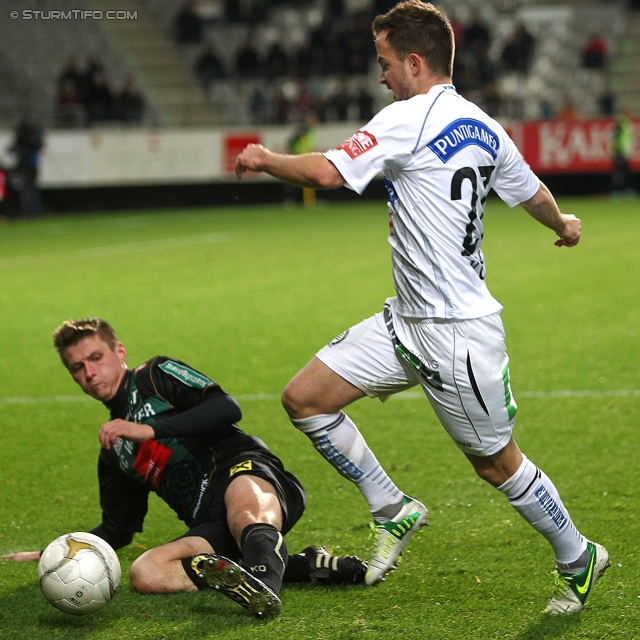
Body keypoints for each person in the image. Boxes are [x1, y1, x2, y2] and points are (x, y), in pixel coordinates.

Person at [235, 0, 609, 614]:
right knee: (304, 400)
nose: (379, 75)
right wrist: (563, 221)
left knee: (496, 465)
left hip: (457, 336)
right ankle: (393, 507)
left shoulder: (407, 117)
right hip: (405, 320)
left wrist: (266, 157)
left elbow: (329, 174)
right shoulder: (484, 125)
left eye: (385, 62)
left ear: (414, 61)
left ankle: (578, 554)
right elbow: (532, 191)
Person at [2, 319, 366, 619]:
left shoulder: (155, 375)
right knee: (145, 572)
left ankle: (265, 589)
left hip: (241, 467)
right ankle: (302, 565)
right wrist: (64, 549)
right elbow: (119, 527)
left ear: (119, 352)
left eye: (95, 357)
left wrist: (150, 430)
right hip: (206, 521)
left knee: (242, 509)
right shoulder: (115, 451)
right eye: (77, 368)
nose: (89, 372)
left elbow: (226, 408)